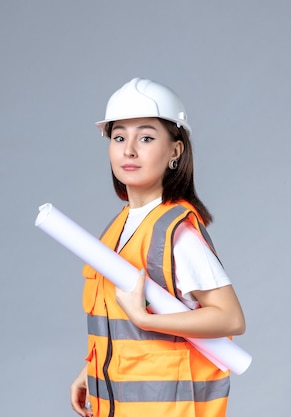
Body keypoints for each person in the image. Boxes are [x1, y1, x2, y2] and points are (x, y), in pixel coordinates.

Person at [69, 77, 246, 417]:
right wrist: (90, 371)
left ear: (175, 151)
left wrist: (145, 319)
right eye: (119, 137)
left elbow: (231, 318)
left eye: (146, 137)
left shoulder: (174, 233)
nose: (129, 150)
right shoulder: (120, 227)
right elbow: (119, 327)